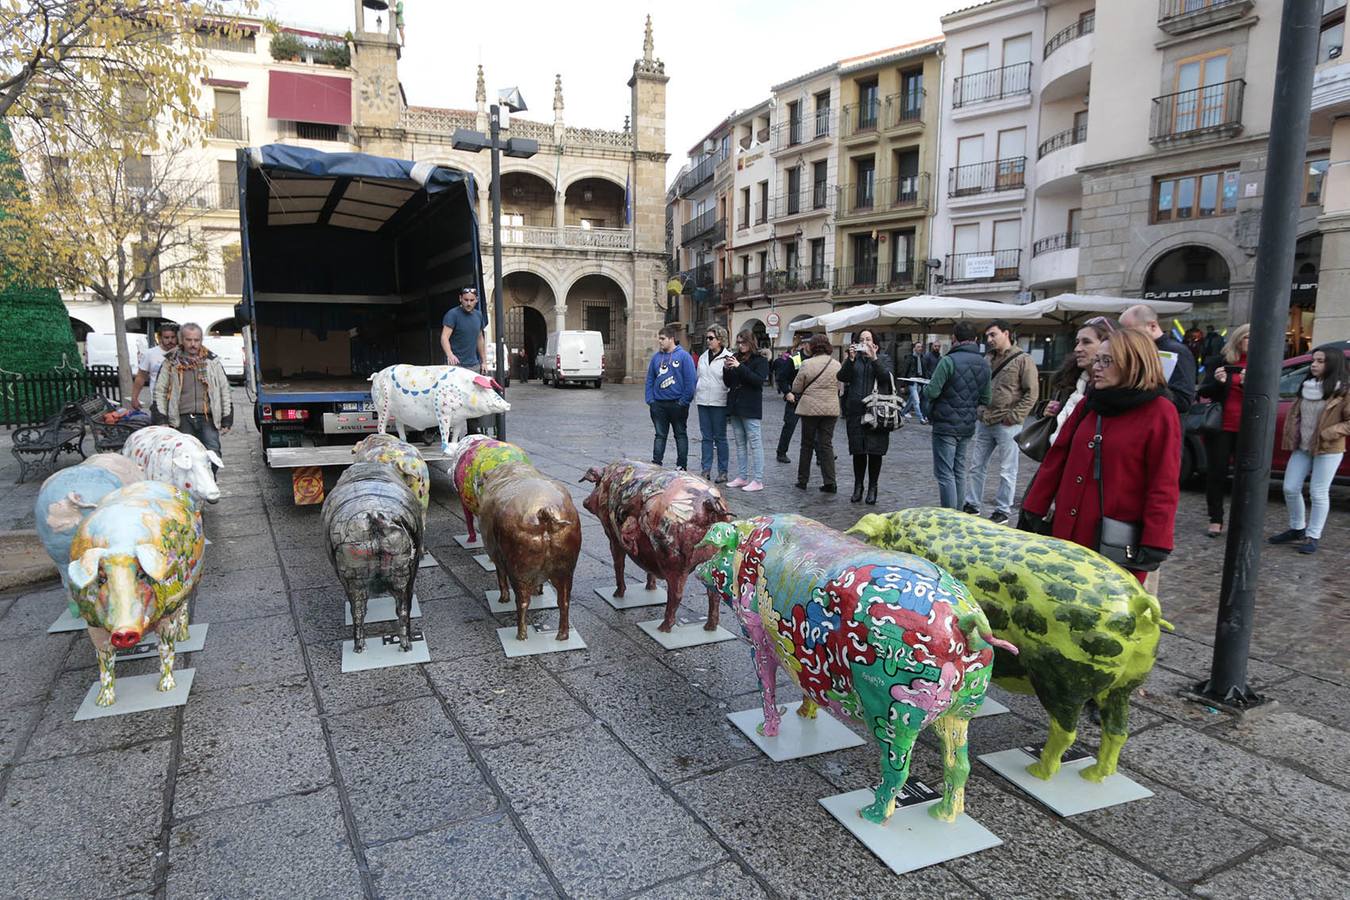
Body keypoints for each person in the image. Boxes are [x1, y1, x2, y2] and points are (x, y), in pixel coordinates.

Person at [1019, 328, 1180, 584]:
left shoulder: (1160, 412)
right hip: (1067, 533)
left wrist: (1155, 542)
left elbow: (1163, 483)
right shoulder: (1088, 404)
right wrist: (1033, 509)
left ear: (1132, 363)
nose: (1097, 367)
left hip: (1114, 542)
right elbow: (1056, 459)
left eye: (1107, 361)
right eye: (1098, 360)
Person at [1270, 346, 1350, 555]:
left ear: (1332, 364)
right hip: (1303, 447)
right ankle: (1297, 528)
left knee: (1318, 492)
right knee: (1290, 487)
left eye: (1321, 361)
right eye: (1314, 360)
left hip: (1328, 448)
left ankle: (1313, 535)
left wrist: (1330, 432)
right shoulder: (1306, 387)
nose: (1314, 364)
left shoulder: (1343, 391)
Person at [964, 319, 1038, 524]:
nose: (989, 339)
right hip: (985, 420)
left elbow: (1032, 393)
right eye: (987, 336)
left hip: (1008, 424)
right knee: (976, 466)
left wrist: (1013, 417)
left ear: (1006, 333)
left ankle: (1003, 510)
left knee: (1007, 469)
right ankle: (972, 504)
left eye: (993, 334)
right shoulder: (987, 359)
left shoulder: (1023, 359)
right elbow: (979, 386)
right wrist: (979, 409)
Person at [924, 322, 990, 509]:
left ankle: (949, 515)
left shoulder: (948, 361)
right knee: (959, 471)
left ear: (954, 338)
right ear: (976, 340)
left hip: (945, 423)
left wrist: (926, 388)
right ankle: (959, 513)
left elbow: (932, 392)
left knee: (945, 473)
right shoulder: (984, 364)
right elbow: (987, 397)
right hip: (968, 424)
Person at [1196, 323, 1250, 537]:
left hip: (1247, 427)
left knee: (1244, 475)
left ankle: (1241, 519)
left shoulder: (1260, 363)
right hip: (1220, 426)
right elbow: (1205, 390)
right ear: (1237, 339)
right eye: (1247, 337)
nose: (1251, 342)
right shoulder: (1221, 361)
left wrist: (1249, 384)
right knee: (1216, 473)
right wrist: (1219, 382)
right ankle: (1216, 518)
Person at [152, 323, 232, 467]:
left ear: (201, 340)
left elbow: (224, 389)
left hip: (208, 417)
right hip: (181, 418)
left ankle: (209, 482)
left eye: (196, 340)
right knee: (184, 456)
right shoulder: (170, 363)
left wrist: (227, 417)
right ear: (182, 340)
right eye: (189, 340)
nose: (193, 344)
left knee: (213, 454)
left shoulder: (212, 362)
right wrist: (162, 418)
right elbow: (160, 391)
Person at [838, 330, 894, 505]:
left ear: (875, 342)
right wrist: (850, 359)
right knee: (858, 452)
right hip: (856, 411)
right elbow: (842, 377)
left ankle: (873, 487)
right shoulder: (853, 360)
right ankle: (858, 486)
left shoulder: (883, 358)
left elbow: (885, 377)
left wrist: (874, 358)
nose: (865, 342)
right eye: (861, 339)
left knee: (875, 452)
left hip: (877, 412)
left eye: (868, 339)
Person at [1040, 318, 1114, 446]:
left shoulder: (1118, 388)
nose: (1077, 348)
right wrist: (1047, 410)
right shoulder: (1069, 380)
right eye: (1077, 342)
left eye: (1086, 342)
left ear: (1107, 345)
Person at [1120, 304, 1196, 413]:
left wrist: (1146, 387)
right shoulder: (1135, 350)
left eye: (1133, 332)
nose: (1127, 338)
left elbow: (1183, 401)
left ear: (1152, 326)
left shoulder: (1176, 351)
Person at [789, 334, 841, 492]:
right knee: (826, 445)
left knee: (807, 445)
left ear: (812, 347)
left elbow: (796, 387)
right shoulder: (836, 364)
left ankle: (803, 480)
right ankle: (830, 482)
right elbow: (840, 387)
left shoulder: (807, 363)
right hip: (830, 409)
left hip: (810, 408)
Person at [645, 326, 696, 470]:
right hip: (659, 405)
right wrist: (651, 401)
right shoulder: (656, 357)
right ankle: (656, 463)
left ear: (671, 339)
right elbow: (650, 380)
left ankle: (681, 465)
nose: (659, 342)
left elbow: (690, 381)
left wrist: (683, 402)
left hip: (677, 404)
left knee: (680, 434)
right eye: (659, 338)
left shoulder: (684, 356)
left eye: (662, 339)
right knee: (660, 435)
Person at [723, 329, 768, 492]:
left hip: (750, 406)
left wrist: (739, 367)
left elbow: (758, 381)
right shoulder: (736, 358)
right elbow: (729, 383)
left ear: (751, 342)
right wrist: (727, 369)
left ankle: (758, 479)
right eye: (739, 342)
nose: (740, 346)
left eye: (744, 342)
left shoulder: (760, 360)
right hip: (735, 406)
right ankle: (742, 476)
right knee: (740, 443)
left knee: (755, 443)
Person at [694, 325, 733, 482]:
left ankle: (723, 471)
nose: (708, 341)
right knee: (706, 437)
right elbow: (699, 377)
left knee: (720, 437)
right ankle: (706, 469)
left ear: (720, 339)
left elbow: (730, 381)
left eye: (711, 338)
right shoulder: (703, 357)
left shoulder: (728, 357)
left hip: (719, 401)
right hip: (703, 401)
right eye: (707, 338)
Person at [773, 331, 811, 463]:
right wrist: (787, 392)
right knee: (789, 426)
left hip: (811, 398)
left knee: (815, 427)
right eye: (810, 343)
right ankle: (781, 452)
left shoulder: (816, 358)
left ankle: (821, 455)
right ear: (804, 344)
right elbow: (781, 377)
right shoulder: (795, 358)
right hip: (795, 397)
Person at [131, 322, 179, 420]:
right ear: (160, 338)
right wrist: (134, 398)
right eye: (166, 337)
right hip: (158, 402)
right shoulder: (150, 354)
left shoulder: (182, 353)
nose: (170, 340)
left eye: (173, 337)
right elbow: (140, 377)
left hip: (180, 403)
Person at [440, 287, 488, 372]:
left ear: (476, 300)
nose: (468, 303)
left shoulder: (479, 315)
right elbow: (444, 337)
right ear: (460, 298)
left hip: (474, 365)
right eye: (466, 300)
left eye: (472, 300)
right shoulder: (452, 314)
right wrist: (450, 354)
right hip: (455, 365)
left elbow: (480, 338)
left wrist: (484, 361)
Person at [894, 339, 929, 425]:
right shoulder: (909, 358)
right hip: (912, 382)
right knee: (916, 401)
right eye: (918, 347)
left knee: (911, 400)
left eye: (921, 347)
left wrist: (927, 380)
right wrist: (902, 385)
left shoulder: (923, 358)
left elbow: (925, 371)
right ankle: (921, 418)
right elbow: (904, 370)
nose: (920, 348)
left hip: (920, 382)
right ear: (914, 348)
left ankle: (902, 413)